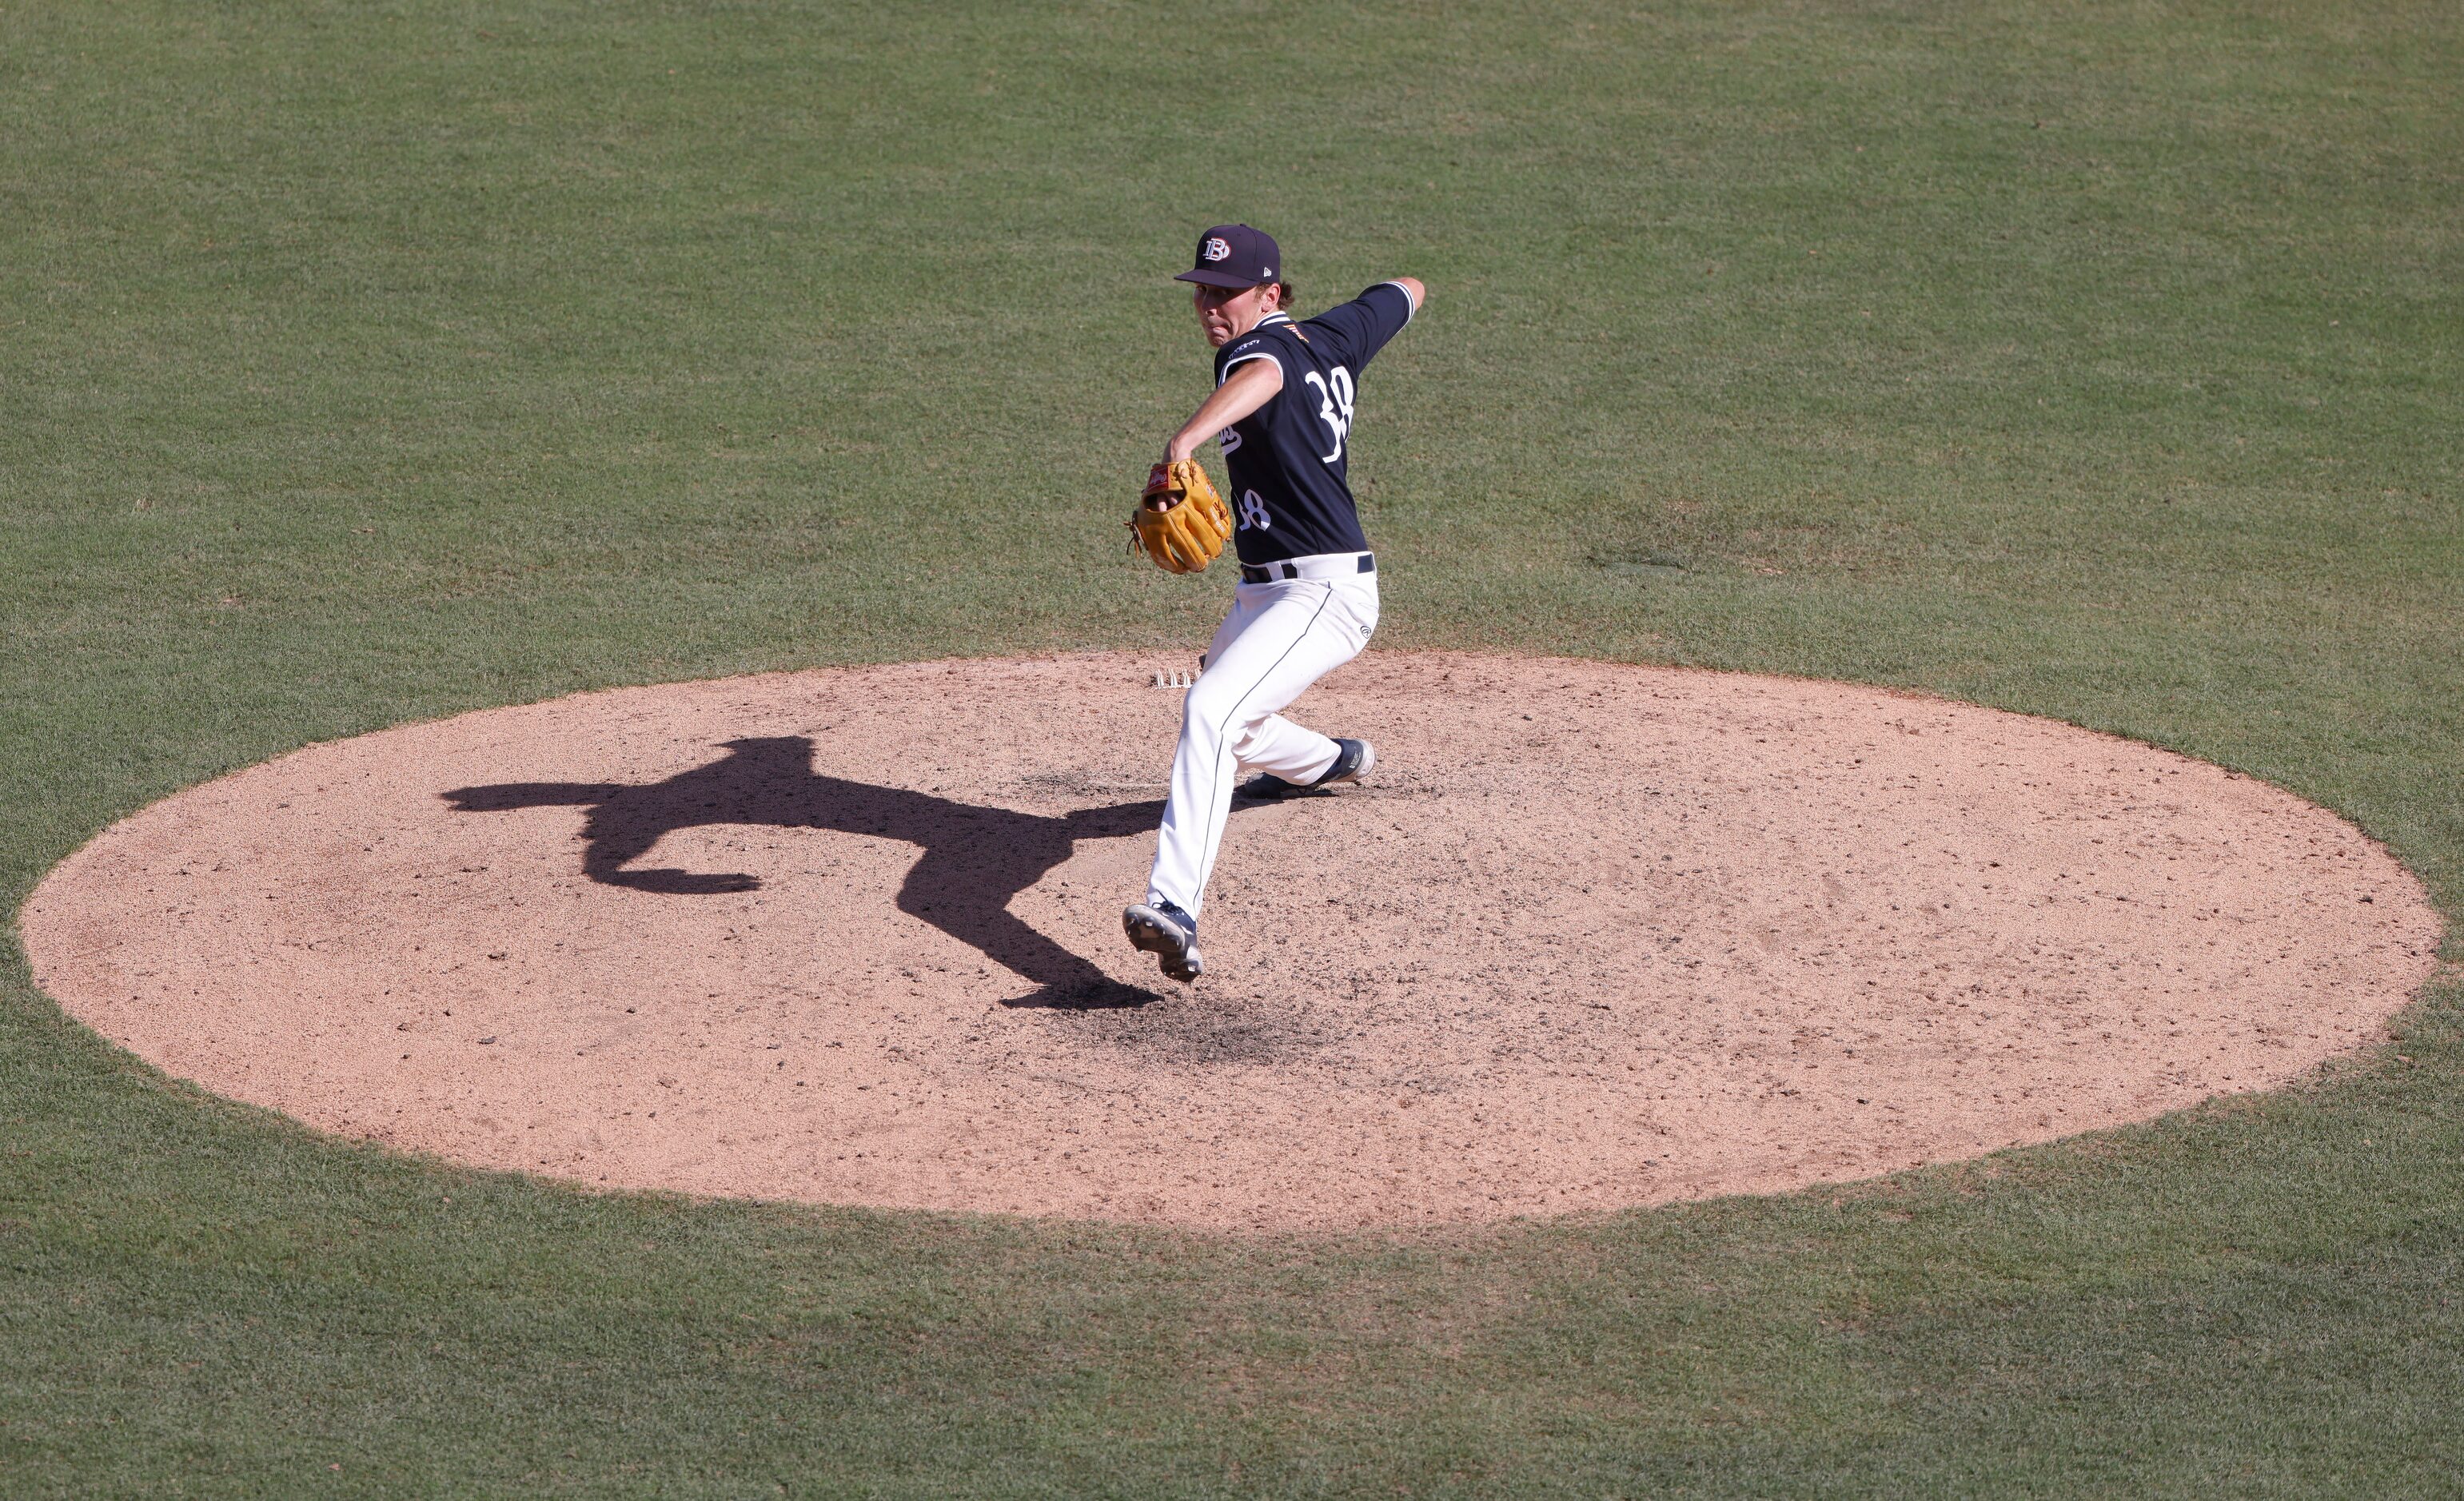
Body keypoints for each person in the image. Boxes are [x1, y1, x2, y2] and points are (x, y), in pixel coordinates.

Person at [1123, 224, 1426, 983]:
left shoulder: (1254, 354)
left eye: (1228, 294)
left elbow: (1264, 374)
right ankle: (1330, 761)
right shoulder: (1334, 335)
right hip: (1265, 594)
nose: (1212, 308)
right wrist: (1378, 308)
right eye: (1203, 293)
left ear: (1272, 294)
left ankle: (1176, 910)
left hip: (1324, 594)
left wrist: (1185, 441)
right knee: (1233, 721)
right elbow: (1409, 289)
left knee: (1211, 713)